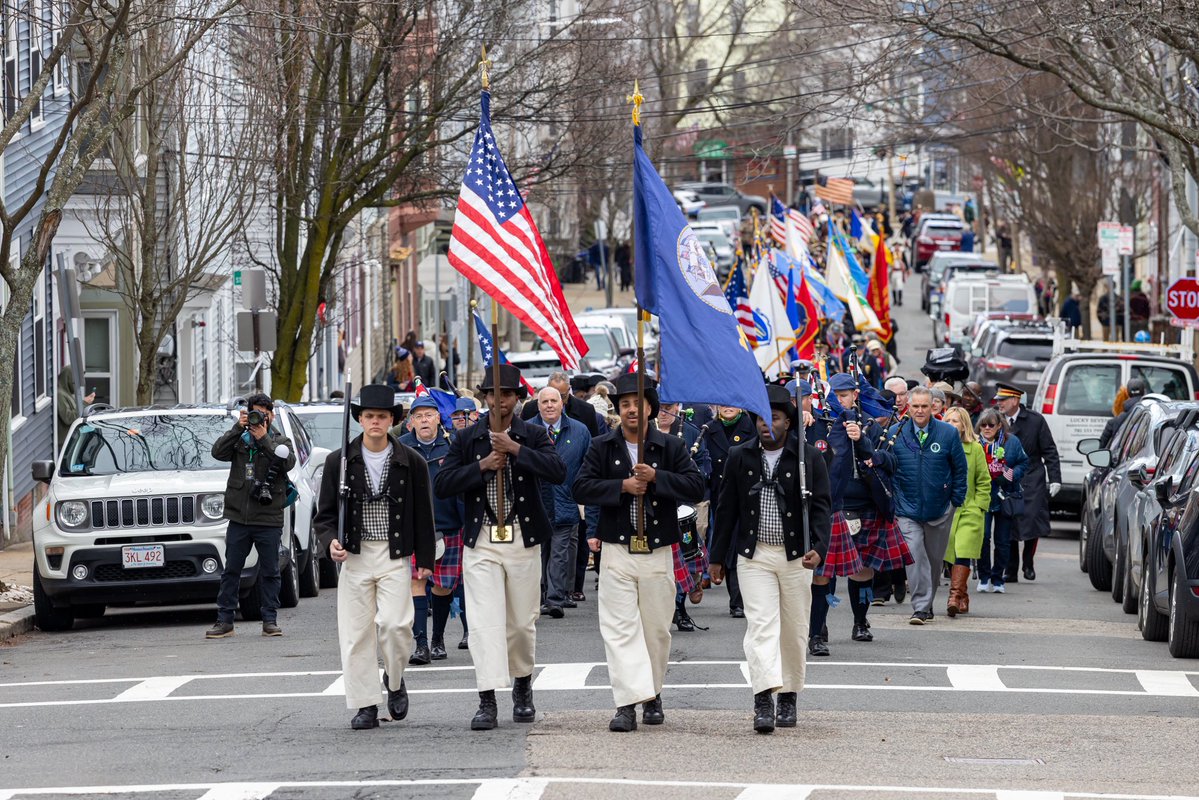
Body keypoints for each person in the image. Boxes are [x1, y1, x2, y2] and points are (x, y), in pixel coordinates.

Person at [433, 364, 566, 730]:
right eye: (493, 394)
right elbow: (443, 484)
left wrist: (515, 449)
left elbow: (557, 471)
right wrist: (483, 465)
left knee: (521, 623)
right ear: (484, 397)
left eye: (506, 394)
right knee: (484, 623)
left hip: (523, 537)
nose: (500, 401)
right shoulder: (466, 439)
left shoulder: (534, 434)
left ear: (516, 398)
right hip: (483, 539)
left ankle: (522, 683)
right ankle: (487, 697)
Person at [572, 373, 705, 733]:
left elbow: (696, 486)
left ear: (651, 408)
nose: (632, 410)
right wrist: (623, 486)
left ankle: (653, 692)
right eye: (625, 404)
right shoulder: (603, 446)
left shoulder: (671, 447)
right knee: (618, 629)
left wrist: (657, 478)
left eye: (638, 404)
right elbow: (581, 487)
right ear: (618, 410)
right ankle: (626, 703)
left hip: (659, 549)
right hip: (617, 548)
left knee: (656, 630)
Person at [313, 385, 436, 729]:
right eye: (369, 416)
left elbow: (424, 514)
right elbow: (323, 516)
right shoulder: (338, 461)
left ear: (392, 420)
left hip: (395, 554)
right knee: (356, 635)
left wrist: (425, 558)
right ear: (360, 419)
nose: (375, 422)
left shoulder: (412, 461)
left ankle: (395, 681)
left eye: (382, 416)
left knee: (396, 625)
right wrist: (330, 542)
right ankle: (365, 704)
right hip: (355, 555)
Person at [711, 383, 830, 734]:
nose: (767, 425)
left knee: (793, 630)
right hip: (755, 555)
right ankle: (763, 697)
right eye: (761, 418)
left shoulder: (809, 458)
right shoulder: (740, 457)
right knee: (760, 627)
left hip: (796, 557)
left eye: (774, 418)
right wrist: (717, 557)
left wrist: (819, 548)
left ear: (788, 422)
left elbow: (822, 508)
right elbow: (726, 507)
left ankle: (789, 695)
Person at [809, 373, 910, 655]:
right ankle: (817, 631)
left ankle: (860, 622)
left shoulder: (869, 426)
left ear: (855, 394)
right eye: (836, 395)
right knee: (823, 574)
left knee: (863, 571)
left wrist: (864, 444)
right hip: (831, 508)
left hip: (867, 506)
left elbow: (891, 462)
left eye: (845, 395)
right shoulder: (820, 425)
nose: (841, 399)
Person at [206, 393, 297, 639]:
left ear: (271, 416)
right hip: (239, 516)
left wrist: (265, 439)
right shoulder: (240, 439)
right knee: (231, 570)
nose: (258, 419)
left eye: (263, 415)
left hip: (268, 517)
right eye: (254, 414)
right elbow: (217, 452)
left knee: (270, 571)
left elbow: (288, 462)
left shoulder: (280, 440)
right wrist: (238, 427)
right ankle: (225, 621)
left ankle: (270, 620)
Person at [888, 386, 967, 624]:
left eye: (924, 406)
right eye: (915, 406)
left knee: (933, 560)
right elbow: (889, 468)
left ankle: (927, 602)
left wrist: (955, 500)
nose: (920, 411)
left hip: (939, 509)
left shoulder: (947, 433)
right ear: (908, 407)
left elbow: (960, 469)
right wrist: (894, 499)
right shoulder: (895, 432)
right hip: (906, 509)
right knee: (913, 555)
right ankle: (920, 607)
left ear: (933, 406)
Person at [399, 395, 463, 662]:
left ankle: (438, 639)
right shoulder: (400, 447)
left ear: (438, 418)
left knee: (444, 587)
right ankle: (421, 644)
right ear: (411, 422)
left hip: (448, 525)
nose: (424, 420)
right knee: (416, 581)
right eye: (418, 416)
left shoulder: (452, 446)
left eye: (429, 415)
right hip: (414, 528)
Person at [532, 386, 591, 618]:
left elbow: (588, 465)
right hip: (536, 504)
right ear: (538, 406)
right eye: (544, 401)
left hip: (566, 501)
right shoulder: (527, 429)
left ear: (562, 403)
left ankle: (555, 598)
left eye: (553, 401)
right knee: (539, 553)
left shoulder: (579, 431)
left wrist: (581, 494)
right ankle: (539, 596)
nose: (549, 405)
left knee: (559, 553)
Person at [995, 383, 1060, 583]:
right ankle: (1011, 568)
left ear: (1015, 400)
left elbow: (1049, 450)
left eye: (1003, 400)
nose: (999, 404)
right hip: (1007, 476)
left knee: (1032, 520)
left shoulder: (1035, 420)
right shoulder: (995, 421)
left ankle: (1028, 561)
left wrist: (1055, 478)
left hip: (1032, 476)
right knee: (1010, 521)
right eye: (998, 400)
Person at [656, 402, 712, 632]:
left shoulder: (688, 431)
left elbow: (704, 462)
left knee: (686, 560)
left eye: (668, 407)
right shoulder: (643, 432)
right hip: (653, 508)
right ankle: (659, 611)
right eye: (658, 407)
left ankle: (679, 609)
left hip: (682, 508)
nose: (663, 412)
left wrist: (692, 475)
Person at [703, 404, 759, 617]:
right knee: (728, 545)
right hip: (721, 496)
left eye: (732, 403)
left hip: (750, 494)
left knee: (745, 543)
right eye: (723, 403)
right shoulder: (708, 429)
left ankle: (746, 598)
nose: (728, 407)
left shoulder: (751, 427)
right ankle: (736, 601)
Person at [941, 407, 991, 617]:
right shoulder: (939, 446)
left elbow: (984, 481)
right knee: (950, 554)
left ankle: (953, 596)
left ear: (964, 425)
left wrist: (979, 506)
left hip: (969, 509)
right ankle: (962, 595)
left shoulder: (975, 449)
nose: (953, 424)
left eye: (957, 421)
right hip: (945, 510)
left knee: (963, 551)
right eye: (949, 420)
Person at [975, 409, 1029, 594]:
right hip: (982, 496)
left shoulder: (1011, 441)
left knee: (1003, 540)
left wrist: (1013, 473)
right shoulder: (975, 442)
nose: (987, 428)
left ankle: (998, 578)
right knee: (983, 538)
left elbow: (1023, 462)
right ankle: (983, 576)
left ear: (999, 425)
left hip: (1005, 495)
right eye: (983, 425)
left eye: (991, 424)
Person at [521, 371, 602, 436]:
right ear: (547, 387)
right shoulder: (530, 408)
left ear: (569, 389)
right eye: (553, 394)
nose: (557, 400)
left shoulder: (586, 410)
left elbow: (592, 443)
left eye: (562, 396)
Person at [1100, 378, 1147, 448]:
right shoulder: (1151, 415)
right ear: (1144, 392)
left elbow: (1101, 449)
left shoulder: (1114, 422)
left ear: (1127, 393)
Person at [55, 370, 96, 444]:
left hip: (71, 440)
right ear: (68, 379)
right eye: (75, 382)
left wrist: (84, 402)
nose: (77, 385)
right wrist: (84, 403)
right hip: (64, 443)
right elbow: (68, 418)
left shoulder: (67, 394)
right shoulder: (59, 394)